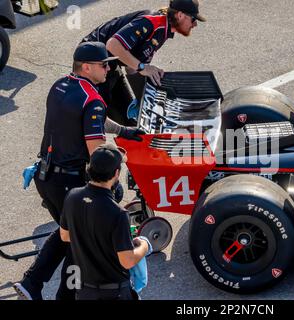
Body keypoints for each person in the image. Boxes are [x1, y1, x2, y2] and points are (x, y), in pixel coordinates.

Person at [13, 41, 144, 300]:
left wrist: (124, 130)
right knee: (77, 244)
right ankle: (64, 295)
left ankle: (32, 283)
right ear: (86, 67)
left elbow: (92, 118)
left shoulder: (61, 85)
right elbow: (97, 153)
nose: (109, 69)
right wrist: (118, 164)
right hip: (68, 181)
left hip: (46, 176)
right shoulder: (93, 98)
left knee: (67, 233)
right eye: (103, 64)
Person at [81, 0, 206, 125]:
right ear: (180, 15)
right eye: (193, 19)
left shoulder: (164, 30)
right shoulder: (152, 22)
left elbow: (132, 67)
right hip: (91, 61)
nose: (195, 24)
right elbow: (112, 45)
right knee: (96, 120)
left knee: (132, 121)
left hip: (109, 64)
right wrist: (143, 67)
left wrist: (152, 90)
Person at [60, 144, 150, 300]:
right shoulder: (117, 213)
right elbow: (127, 261)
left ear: (90, 168)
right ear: (116, 173)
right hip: (114, 293)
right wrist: (144, 245)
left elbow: (65, 236)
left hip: (85, 291)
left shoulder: (72, 197)